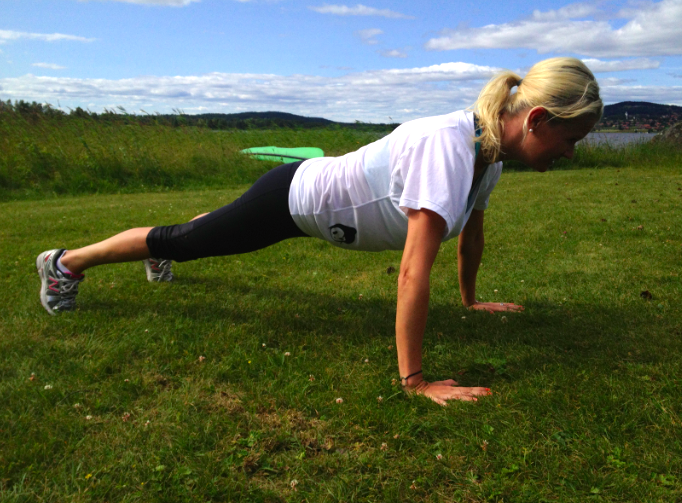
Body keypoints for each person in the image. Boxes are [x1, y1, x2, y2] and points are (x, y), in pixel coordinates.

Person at [36, 57, 603, 405]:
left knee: (198, 236)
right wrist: (415, 381)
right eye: (571, 140)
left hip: (311, 204)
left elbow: (473, 234)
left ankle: (164, 249)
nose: (571, 153)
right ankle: (65, 263)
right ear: (536, 120)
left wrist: (472, 302)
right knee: (182, 242)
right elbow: (412, 272)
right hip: (293, 199)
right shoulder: (449, 149)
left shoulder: (488, 156)